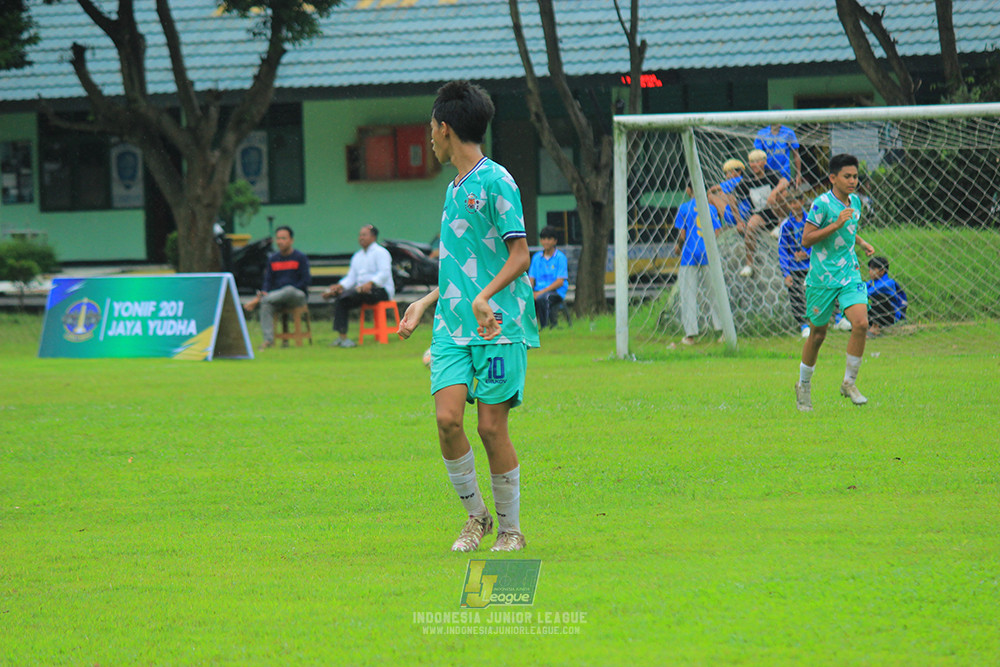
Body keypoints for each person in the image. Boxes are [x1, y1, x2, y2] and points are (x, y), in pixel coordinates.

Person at [397, 80, 540, 553]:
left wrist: (485, 299)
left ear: (445, 127)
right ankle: (475, 517)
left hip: (498, 324)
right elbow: (463, 263)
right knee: (447, 420)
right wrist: (426, 301)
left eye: (431, 128)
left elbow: (520, 255)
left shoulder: (498, 181)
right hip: (451, 326)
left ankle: (511, 529)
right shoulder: (454, 189)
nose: (429, 138)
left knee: (490, 427)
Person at [795, 154, 876, 412]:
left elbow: (849, 228)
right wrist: (836, 223)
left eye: (855, 176)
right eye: (847, 176)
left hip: (849, 272)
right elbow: (807, 240)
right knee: (818, 334)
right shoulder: (821, 204)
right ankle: (803, 385)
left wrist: (861, 243)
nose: (853, 181)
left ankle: (848, 382)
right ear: (833, 178)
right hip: (821, 278)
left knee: (861, 322)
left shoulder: (855, 202)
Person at [322, 224, 395, 348]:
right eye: (360, 235)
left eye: (364, 235)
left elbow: (384, 273)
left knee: (346, 296)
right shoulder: (357, 256)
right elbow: (351, 278)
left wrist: (370, 283)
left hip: (381, 291)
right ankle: (342, 337)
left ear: (373, 237)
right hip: (362, 291)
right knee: (341, 298)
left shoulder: (381, 252)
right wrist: (339, 286)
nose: (361, 238)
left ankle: (343, 338)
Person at [243, 225, 311, 350]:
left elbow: (306, 281)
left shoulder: (300, 258)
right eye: (278, 238)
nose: (280, 241)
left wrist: (280, 292)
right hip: (276, 297)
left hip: (297, 295)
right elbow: (268, 282)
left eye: (284, 238)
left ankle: (259, 299)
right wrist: (266, 292)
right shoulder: (273, 259)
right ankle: (268, 340)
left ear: (291, 240)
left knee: (288, 289)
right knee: (266, 305)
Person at [673, 186, 723, 345]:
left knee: (688, 294)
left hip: (689, 254)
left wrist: (678, 248)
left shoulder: (684, 208)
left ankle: (690, 335)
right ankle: (723, 331)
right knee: (715, 293)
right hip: (707, 253)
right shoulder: (711, 209)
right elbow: (717, 233)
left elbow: (682, 235)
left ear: (688, 190)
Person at [733, 149, 790, 277]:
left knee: (783, 193)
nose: (754, 165)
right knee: (751, 226)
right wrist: (738, 221)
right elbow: (733, 198)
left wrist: (774, 193)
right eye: (752, 162)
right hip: (761, 213)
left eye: (758, 161)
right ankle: (749, 264)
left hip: (776, 209)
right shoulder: (748, 180)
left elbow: (785, 182)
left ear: (764, 162)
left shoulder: (771, 174)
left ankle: (780, 225)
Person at [777, 189, 812, 337]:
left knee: (816, 292)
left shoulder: (811, 220)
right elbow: (782, 250)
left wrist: (807, 253)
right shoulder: (786, 225)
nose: (793, 205)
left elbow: (819, 241)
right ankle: (803, 325)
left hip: (812, 266)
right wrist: (786, 272)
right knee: (796, 295)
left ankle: (833, 319)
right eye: (790, 202)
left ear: (802, 201)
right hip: (794, 267)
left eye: (795, 201)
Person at [528, 225, 569, 329]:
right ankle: (528, 328)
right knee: (525, 298)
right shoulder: (536, 258)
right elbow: (531, 279)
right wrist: (529, 292)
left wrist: (540, 293)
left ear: (555, 241)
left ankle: (546, 327)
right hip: (538, 291)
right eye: (543, 239)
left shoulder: (560, 257)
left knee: (544, 298)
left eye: (549, 239)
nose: (546, 242)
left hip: (556, 292)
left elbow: (560, 282)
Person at [866, 255, 907, 337]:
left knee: (880, 297)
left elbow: (871, 291)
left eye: (873, 269)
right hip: (875, 314)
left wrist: (861, 293)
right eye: (869, 269)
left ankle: (875, 328)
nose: (870, 271)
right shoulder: (871, 282)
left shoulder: (889, 283)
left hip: (890, 315)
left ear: (882, 271)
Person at [754, 121, 802, 187]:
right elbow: (758, 155)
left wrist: (798, 174)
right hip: (767, 174)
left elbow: (796, 154)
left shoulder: (788, 133)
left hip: (784, 174)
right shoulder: (762, 133)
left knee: (782, 194)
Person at [707, 158, 745, 226]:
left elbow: (712, 189)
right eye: (726, 173)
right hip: (746, 213)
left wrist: (707, 194)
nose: (727, 175)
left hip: (736, 216)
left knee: (711, 197)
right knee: (722, 194)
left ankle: (718, 226)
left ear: (739, 172)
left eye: (730, 172)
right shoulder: (744, 180)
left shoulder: (735, 180)